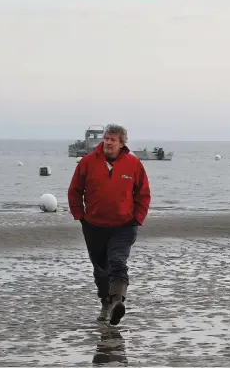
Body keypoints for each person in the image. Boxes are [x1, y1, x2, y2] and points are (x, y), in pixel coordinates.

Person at [68, 124, 151, 325]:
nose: (108, 142)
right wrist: (81, 216)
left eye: (113, 139)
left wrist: (137, 218)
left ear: (121, 143)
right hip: (94, 225)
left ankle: (117, 302)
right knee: (101, 269)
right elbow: (74, 191)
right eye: (106, 138)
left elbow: (143, 193)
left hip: (124, 225)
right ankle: (105, 302)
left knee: (118, 263)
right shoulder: (88, 162)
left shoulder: (134, 164)